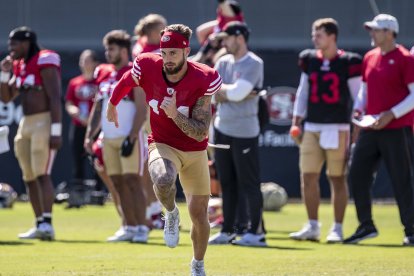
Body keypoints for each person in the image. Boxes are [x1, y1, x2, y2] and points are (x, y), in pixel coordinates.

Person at [107, 24, 222, 276]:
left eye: (173, 53)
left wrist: (174, 115)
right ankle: (170, 212)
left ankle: (197, 264)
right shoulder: (148, 65)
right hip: (163, 143)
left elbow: (201, 130)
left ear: (186, 52)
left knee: (199, 214)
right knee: (163, 177)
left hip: (194, 150)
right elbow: (128, 79)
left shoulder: (204, 77)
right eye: (164, 52)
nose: (168, 59)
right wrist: (113, 102)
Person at [288, 18, 362, 243]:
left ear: (332, 36)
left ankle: (337, 228)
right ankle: (312, 226)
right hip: (312, 126)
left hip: (338, 127)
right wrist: (296, 120)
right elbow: (303, 91)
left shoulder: (348, 61)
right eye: (314, 34)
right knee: (307, 177)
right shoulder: (309, 59)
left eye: (319, 34)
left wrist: (356, 128)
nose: (314, 38)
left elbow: (358, 97)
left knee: (337, 178)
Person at [343, 14, 414, 246]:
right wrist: (358, 110)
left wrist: (391, 114)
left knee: (401, 180)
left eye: (376, 30)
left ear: (389, 32)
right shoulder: (370, 57)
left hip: (397, 128)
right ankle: (366, 225)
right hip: (371, 127)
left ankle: (411, 230)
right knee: (356, 175)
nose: (372, 34)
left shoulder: (405, 58)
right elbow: (364, 90)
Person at [84, 30, 148, 243]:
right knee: (117, 183)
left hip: (129, 135)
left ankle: (141, 227)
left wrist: (132, 135)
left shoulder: (134, 71)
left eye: (111, 49)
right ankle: (128, 226)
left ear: (123, 50)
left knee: (133, 181)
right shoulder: (102, 72)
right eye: (106, 48)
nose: (107, 53)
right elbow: (99, 105)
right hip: (108, 136)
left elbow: (141, 107)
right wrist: (89, 135)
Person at [206, 21, 266, 247]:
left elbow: (239, 93)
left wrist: (228, 92)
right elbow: (211, 94)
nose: (224, 42)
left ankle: (255, 232)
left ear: (239, 37)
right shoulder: (222, 61)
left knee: (249, 183)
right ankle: (228, 229)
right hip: (222, 129)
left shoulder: (254, 62)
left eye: (227, 38)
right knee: (227, 183)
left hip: (245, 131)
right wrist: (230, 92)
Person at [0, 26, 62, 240]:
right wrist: (5, 73)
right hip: (26, 122)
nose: (11, 48)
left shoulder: (45, 59)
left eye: (14, 43)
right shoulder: (19, 65)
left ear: (26, 43)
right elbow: (7, 97)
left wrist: (56, 130)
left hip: (44, 120)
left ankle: (47, 222)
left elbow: (55, 96)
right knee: (28, 176)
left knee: (42, 173)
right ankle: (38, 223)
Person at [132, 13, 168, 229]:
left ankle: (154, 209)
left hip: (157, 109)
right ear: (152, 31)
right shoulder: (146, 52)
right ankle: (153, 210)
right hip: (150, 111)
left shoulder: (143, 47)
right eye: (161, 29)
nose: (165, 33)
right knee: (150, 161)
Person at [65, 49, 99, 184]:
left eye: (87, 60)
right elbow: (69, 102)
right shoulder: (74, 82)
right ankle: (79, 190)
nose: (84, 63)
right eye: (82, 60)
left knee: (97, 158)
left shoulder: (99, 82)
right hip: (79, 125)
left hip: (96, 126)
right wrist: (76, 113)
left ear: (95, 63)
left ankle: (99, 191)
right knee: (78, 158)